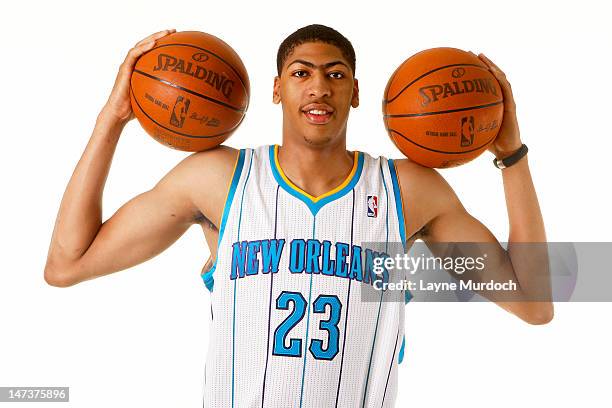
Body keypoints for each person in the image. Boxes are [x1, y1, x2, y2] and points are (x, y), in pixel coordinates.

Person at [44, 24, 553, 407]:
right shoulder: (218, 179)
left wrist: (512, 158)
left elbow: (534, 303)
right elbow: (67, 263)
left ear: (355, 92)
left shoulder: (409, 190)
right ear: (276, 89)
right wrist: (112, 119)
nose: (319, 87)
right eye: (301, 73)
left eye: (335, 74)